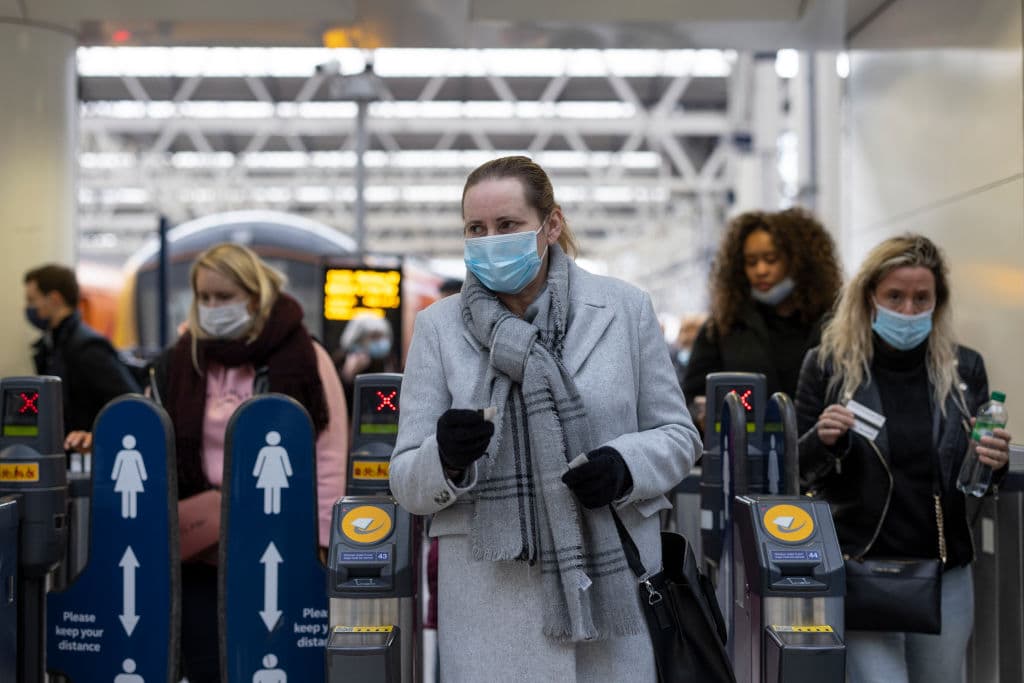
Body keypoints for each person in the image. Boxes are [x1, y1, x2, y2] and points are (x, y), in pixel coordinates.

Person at [390, 156, 701, 681]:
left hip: (613, 597)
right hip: (490, 605)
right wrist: (443, 459)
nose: (490, 240)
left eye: (507, 225)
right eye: (475, 229)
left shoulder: (625, 310)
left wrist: (626, 466)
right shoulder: (439, 329)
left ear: (550, 224)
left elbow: (679, 434)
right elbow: (405, 481)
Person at [795, 234, 1012, 682]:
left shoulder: (964, 370)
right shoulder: (828, 366)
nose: (909, 311)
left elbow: (981, 478)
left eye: (921, 298)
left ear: (938, 302)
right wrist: (823, 441)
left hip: (944, 570)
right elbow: (796, 470)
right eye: (895, 296)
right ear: (869, 296)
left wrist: (993, 462)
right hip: (862, 567)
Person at [148, 243, 348, 682]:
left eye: (225, 297)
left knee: (273, 659)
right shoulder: (182, 360)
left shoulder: (303, 358)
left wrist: (321, 539)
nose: (213, 308)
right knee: (204, 661)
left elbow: (329, 453)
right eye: (205, 298)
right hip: (201, 548)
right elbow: (152, 436)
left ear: (254, 297)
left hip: (279, 539)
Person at [682, 208, 841, 430]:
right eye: (751, 262)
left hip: (817, 455)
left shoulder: (833, 326)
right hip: (744, 456)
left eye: (771, 259)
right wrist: (699, 413)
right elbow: (690, 400)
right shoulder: (722, 328)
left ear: (798, 261)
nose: (761, 270)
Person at [24, 264, 141, 451]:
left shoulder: (87, 348)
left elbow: (131, 403)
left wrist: (99, 437)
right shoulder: (51, 347)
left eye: (32, 300)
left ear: (54, 299)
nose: (28, 308)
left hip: (90, 458)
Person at [333, 314, 399, 415]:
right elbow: (337, 400)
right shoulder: (342, 360)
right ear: (359, 339)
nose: (380, 341)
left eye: (382, 336)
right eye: (374, 336)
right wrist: (348, 375)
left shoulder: (389, 360)